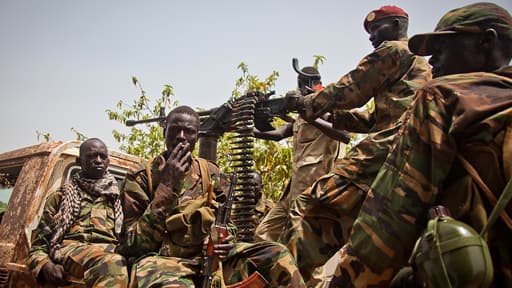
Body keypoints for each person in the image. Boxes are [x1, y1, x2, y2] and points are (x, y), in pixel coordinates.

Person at [331, 3, 512, 287]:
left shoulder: (441, 97)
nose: (432, 61)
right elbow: (371, 119)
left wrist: (345, 281)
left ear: (486, 41)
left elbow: (387, 223)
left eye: (442, 47)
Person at [281, 5, 432, 283]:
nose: (372, 37)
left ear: (399, 25)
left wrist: (307, 104)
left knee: (308, 208)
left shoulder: (394, 51)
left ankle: (287, 278)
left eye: (377, 28)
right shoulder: (421, 64)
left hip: (390, 145)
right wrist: (332, 115)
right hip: (409, 143)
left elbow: (351, 88)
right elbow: (373, 119)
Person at [118, 105, 305, 287]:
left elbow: (228, 224)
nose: (181, 137)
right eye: (175, 130)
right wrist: (167, 186)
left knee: (278, 255)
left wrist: (226, 240)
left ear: (197, 137)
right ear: (164, 132)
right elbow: (133, 245)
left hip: (210, 258)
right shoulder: (141, 177)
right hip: (163, 261)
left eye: (188, 132)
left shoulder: (211, 172)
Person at [254, 65, 350, 243]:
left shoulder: (326, 105)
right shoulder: (303, 112)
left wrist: (308, 115)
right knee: (263, 234)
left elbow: (344, 135)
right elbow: (278, 134)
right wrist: (250, 129)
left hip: (314, 189)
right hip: (293, 190)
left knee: (304, 243)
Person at [26, 138, 129, 287]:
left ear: (108, 161)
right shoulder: (62, 196)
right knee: (112, 264)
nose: (98, 160)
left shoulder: (118, 199)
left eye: (103, 156)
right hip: (72, 249)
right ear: (80, 161)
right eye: (91, 156)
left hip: (112, 251)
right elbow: (38, 247)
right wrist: (44, 265)